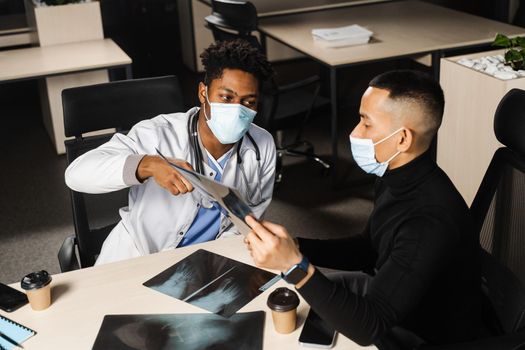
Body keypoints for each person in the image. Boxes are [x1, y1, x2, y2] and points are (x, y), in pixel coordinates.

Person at [244, 70, 484, 348]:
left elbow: (370, 326)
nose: (354, 132)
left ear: (403, 139)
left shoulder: (429, 219)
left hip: (422, 336)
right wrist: (295, 247)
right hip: (393, 302)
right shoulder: (395, 177)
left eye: (366, 124)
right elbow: (368, 249)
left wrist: (294, 266)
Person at [65, 39, 276, 265]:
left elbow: (247, 221)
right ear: (203, 93)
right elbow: (76, 174)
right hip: (138, 259)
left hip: (208, 262)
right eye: (226, 97)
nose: (237, 109)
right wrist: (146, 165)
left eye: (249, 102)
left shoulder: (261, 146)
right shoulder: (156, 134)